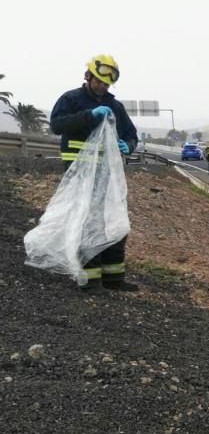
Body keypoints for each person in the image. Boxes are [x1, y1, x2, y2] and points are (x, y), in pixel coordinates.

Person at [50, 54, 138, 291]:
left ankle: (114, 278)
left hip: (108, 175)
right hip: (79, 174)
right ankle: (90, 279)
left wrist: (127, 146)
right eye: (98, 81)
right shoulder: (71, 99)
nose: (102, 86)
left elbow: (131, 134)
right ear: (88, 76)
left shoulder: (115, 107)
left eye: (106, 83)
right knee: (89, 222)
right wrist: (89, 116)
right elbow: (57, 125)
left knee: (114, 221)